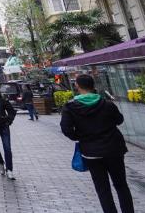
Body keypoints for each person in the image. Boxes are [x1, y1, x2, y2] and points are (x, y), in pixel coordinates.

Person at [60, 74, 134, 213]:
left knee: (102, 188)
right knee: (121, 185)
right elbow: (119, 120)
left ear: (77, 86)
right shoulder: (106, 104)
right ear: (93, 86)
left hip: (91, 152)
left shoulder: (70, 107)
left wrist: (81, 137)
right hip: (114, 149)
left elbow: (66, 129)